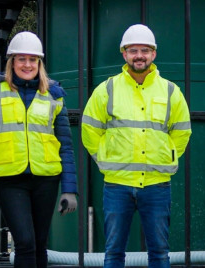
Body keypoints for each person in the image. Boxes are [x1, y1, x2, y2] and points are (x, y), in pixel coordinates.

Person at [81, 24, 192, 268]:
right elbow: (89, 130)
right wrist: (104, 159)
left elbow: (182, 132)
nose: (139, 55)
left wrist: (168, 157)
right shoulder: (106, 90)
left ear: (153, 54)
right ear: (124, 54)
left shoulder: (171, 91)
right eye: (133, 50)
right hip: (117, 184)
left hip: (156, 185)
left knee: (160, 253)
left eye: (144, 50)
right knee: (113, 253)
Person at [0, 31, 78, 268]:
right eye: (21, 59)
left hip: (46, 178)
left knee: (39, 242)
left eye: (33, 59)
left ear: (39, 63)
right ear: (12, 62)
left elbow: (66, 146)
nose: (27, 64)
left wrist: (70, 189)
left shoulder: (54, 95)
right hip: (10, 177)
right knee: (25, 241)